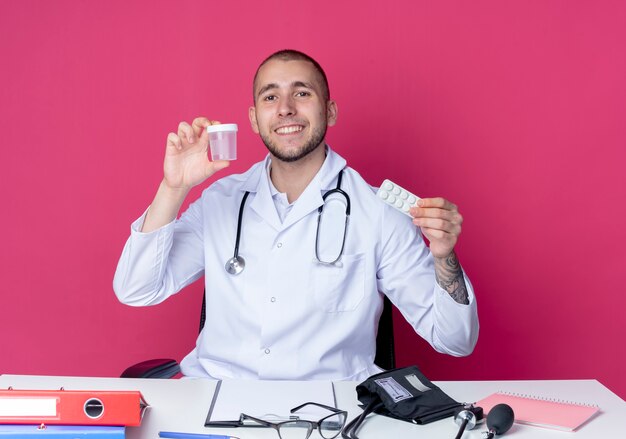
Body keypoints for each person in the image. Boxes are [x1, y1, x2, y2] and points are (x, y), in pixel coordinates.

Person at [113, 49, 478, 381]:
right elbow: (137, 289)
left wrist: (444, 256)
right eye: (270, 96)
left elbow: (456, 340)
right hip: (215, 401)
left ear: (330, 111)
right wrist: (173, 188)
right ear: (255, 119)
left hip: (330, 412)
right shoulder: (221, 201)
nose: (285, 108)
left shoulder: (378, 212)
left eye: (302, 93)